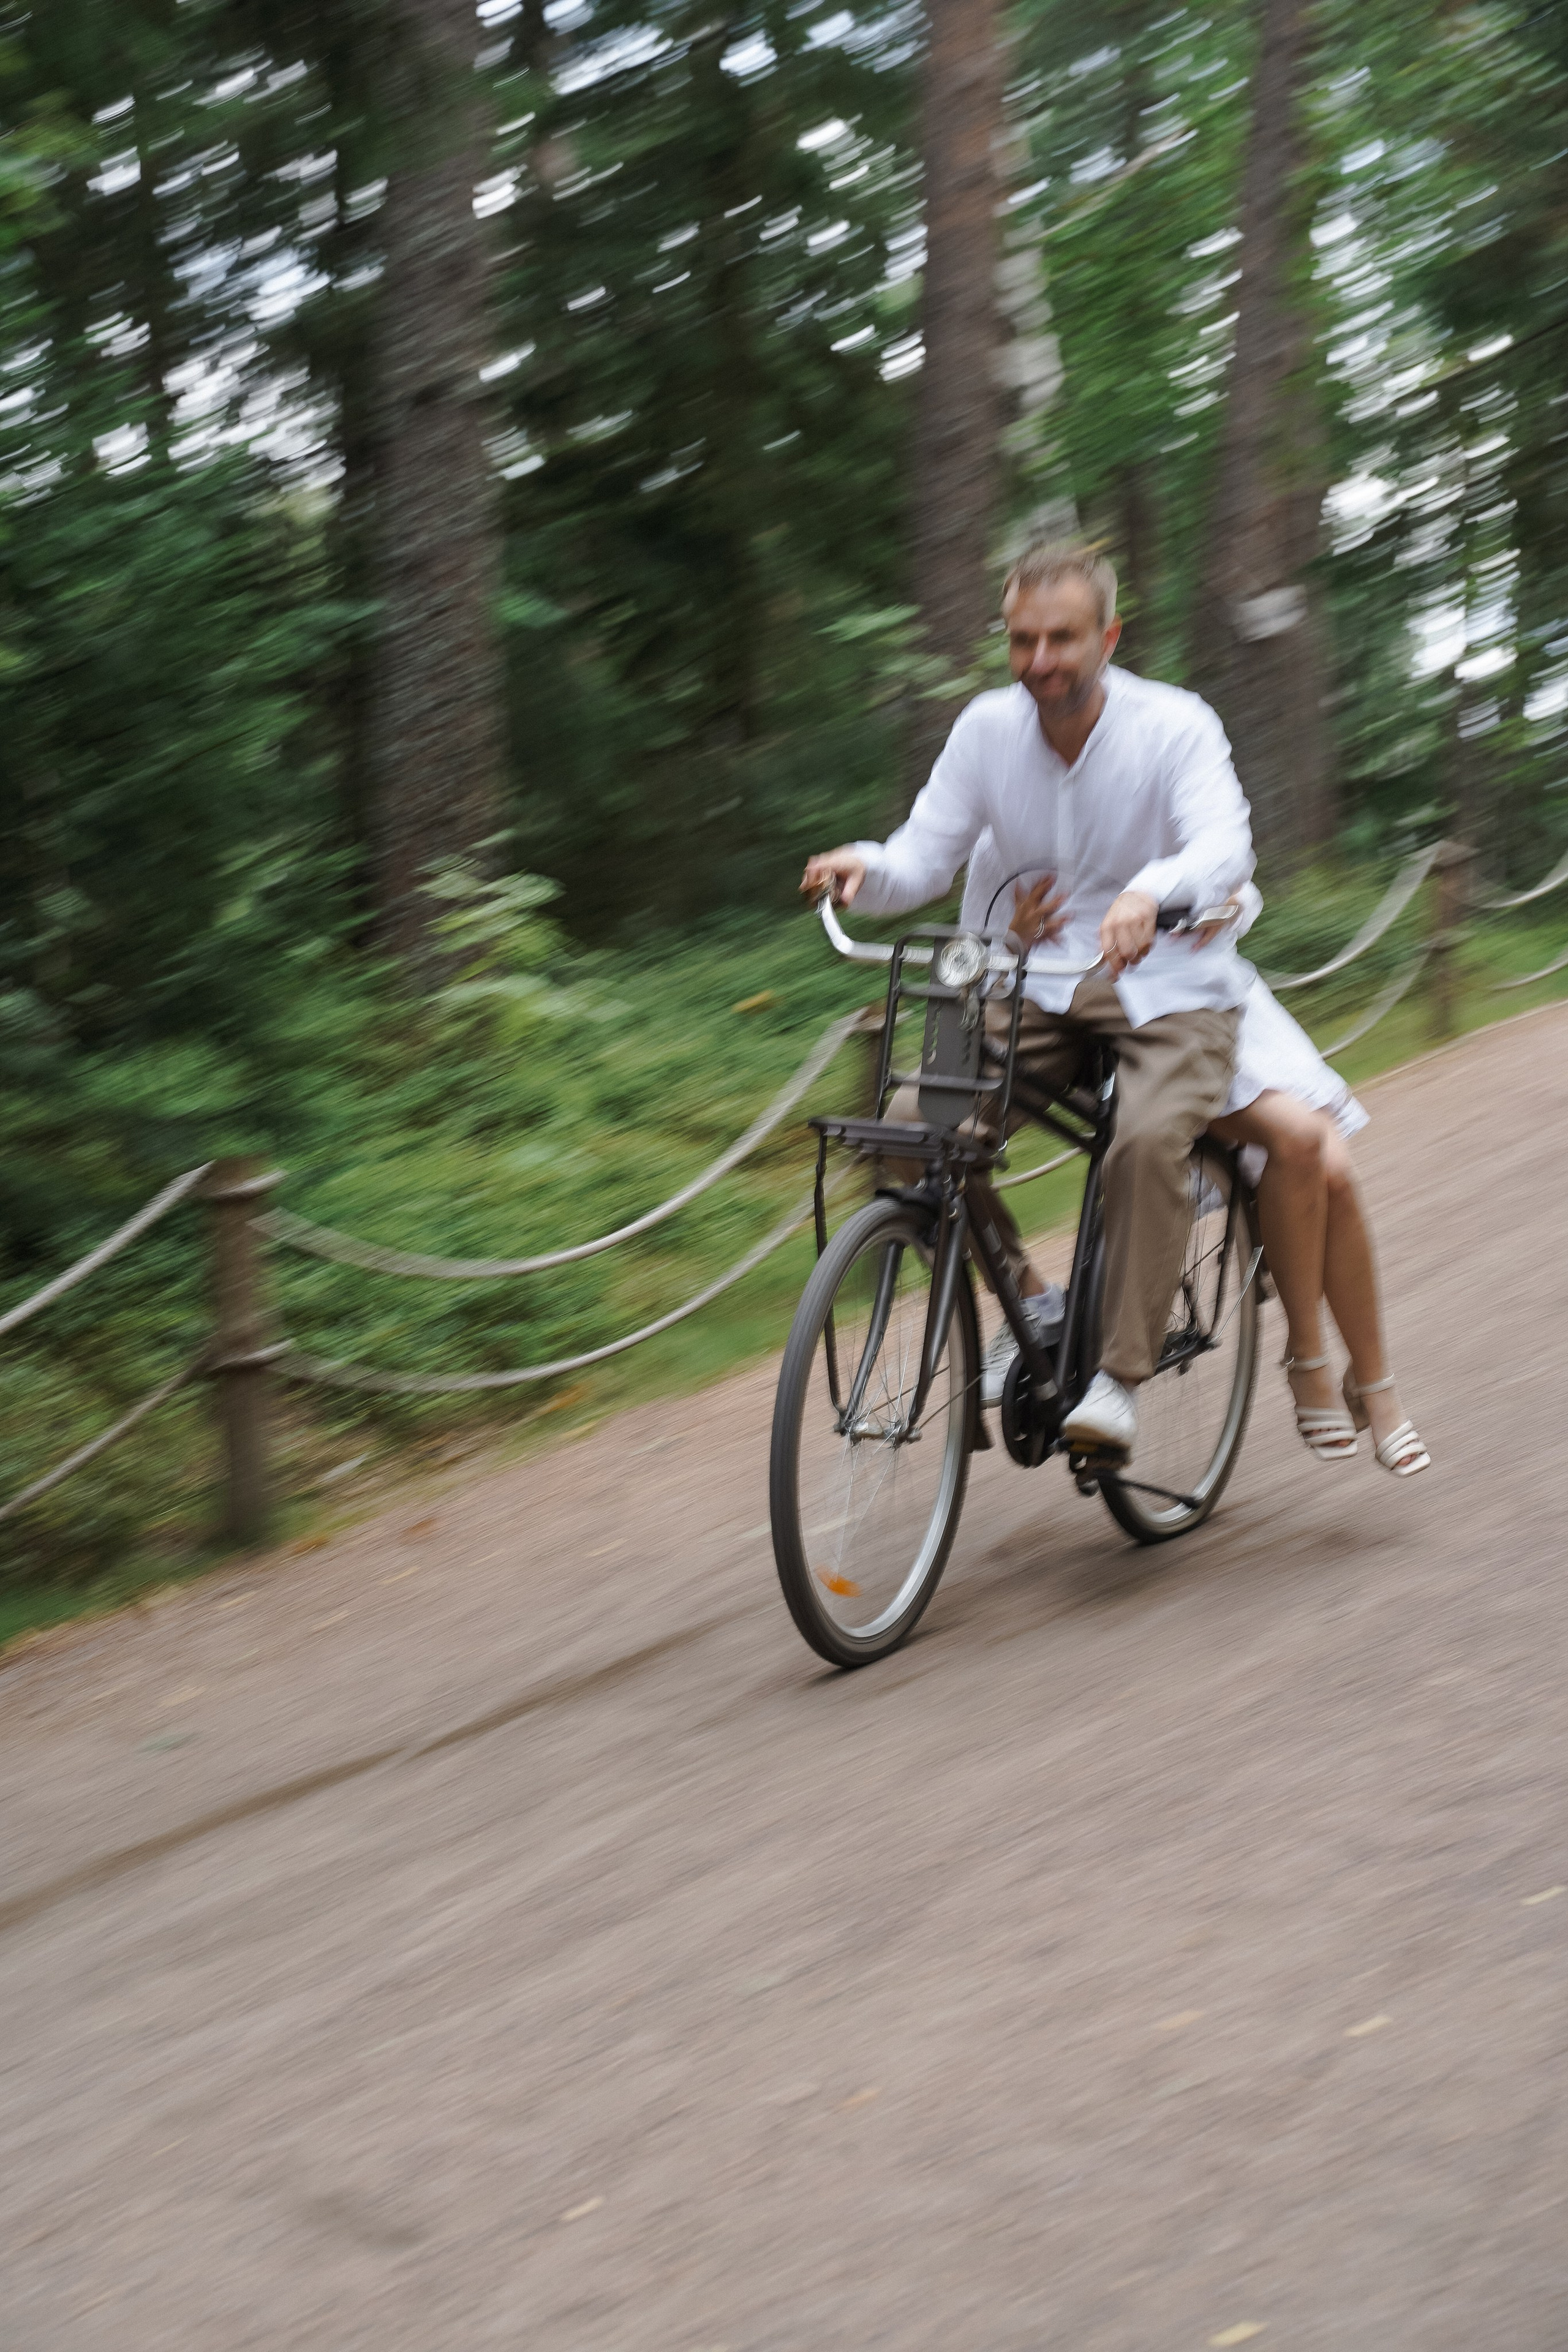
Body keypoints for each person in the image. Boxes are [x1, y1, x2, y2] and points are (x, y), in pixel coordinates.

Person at [801, 539, 1254, 1467]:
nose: (1039, 662)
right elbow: (924, 854)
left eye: (1061, 639)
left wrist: (1152, 891)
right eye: (1020, 641)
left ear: (1109, 636)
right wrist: (865, 867)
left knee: (1142, 1139)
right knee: (908, 1126)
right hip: (1034, 981)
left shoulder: (1177, 726)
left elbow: (1225, 848)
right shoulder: (985, 731)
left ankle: (1118, 1381)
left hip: (1163, 982)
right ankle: (1030, 1297)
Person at [961, 832, 1429, 1478]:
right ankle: (1317, 1363)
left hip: (1193, 1001)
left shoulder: (1156, 777)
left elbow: (1235, 878)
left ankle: (1356, 1377)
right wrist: (1010, 937)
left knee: (1332, 1166)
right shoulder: (1011, 816)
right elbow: (978, 957)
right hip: (1107, 1021)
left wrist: (1222, 908)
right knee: (1305, 1148)